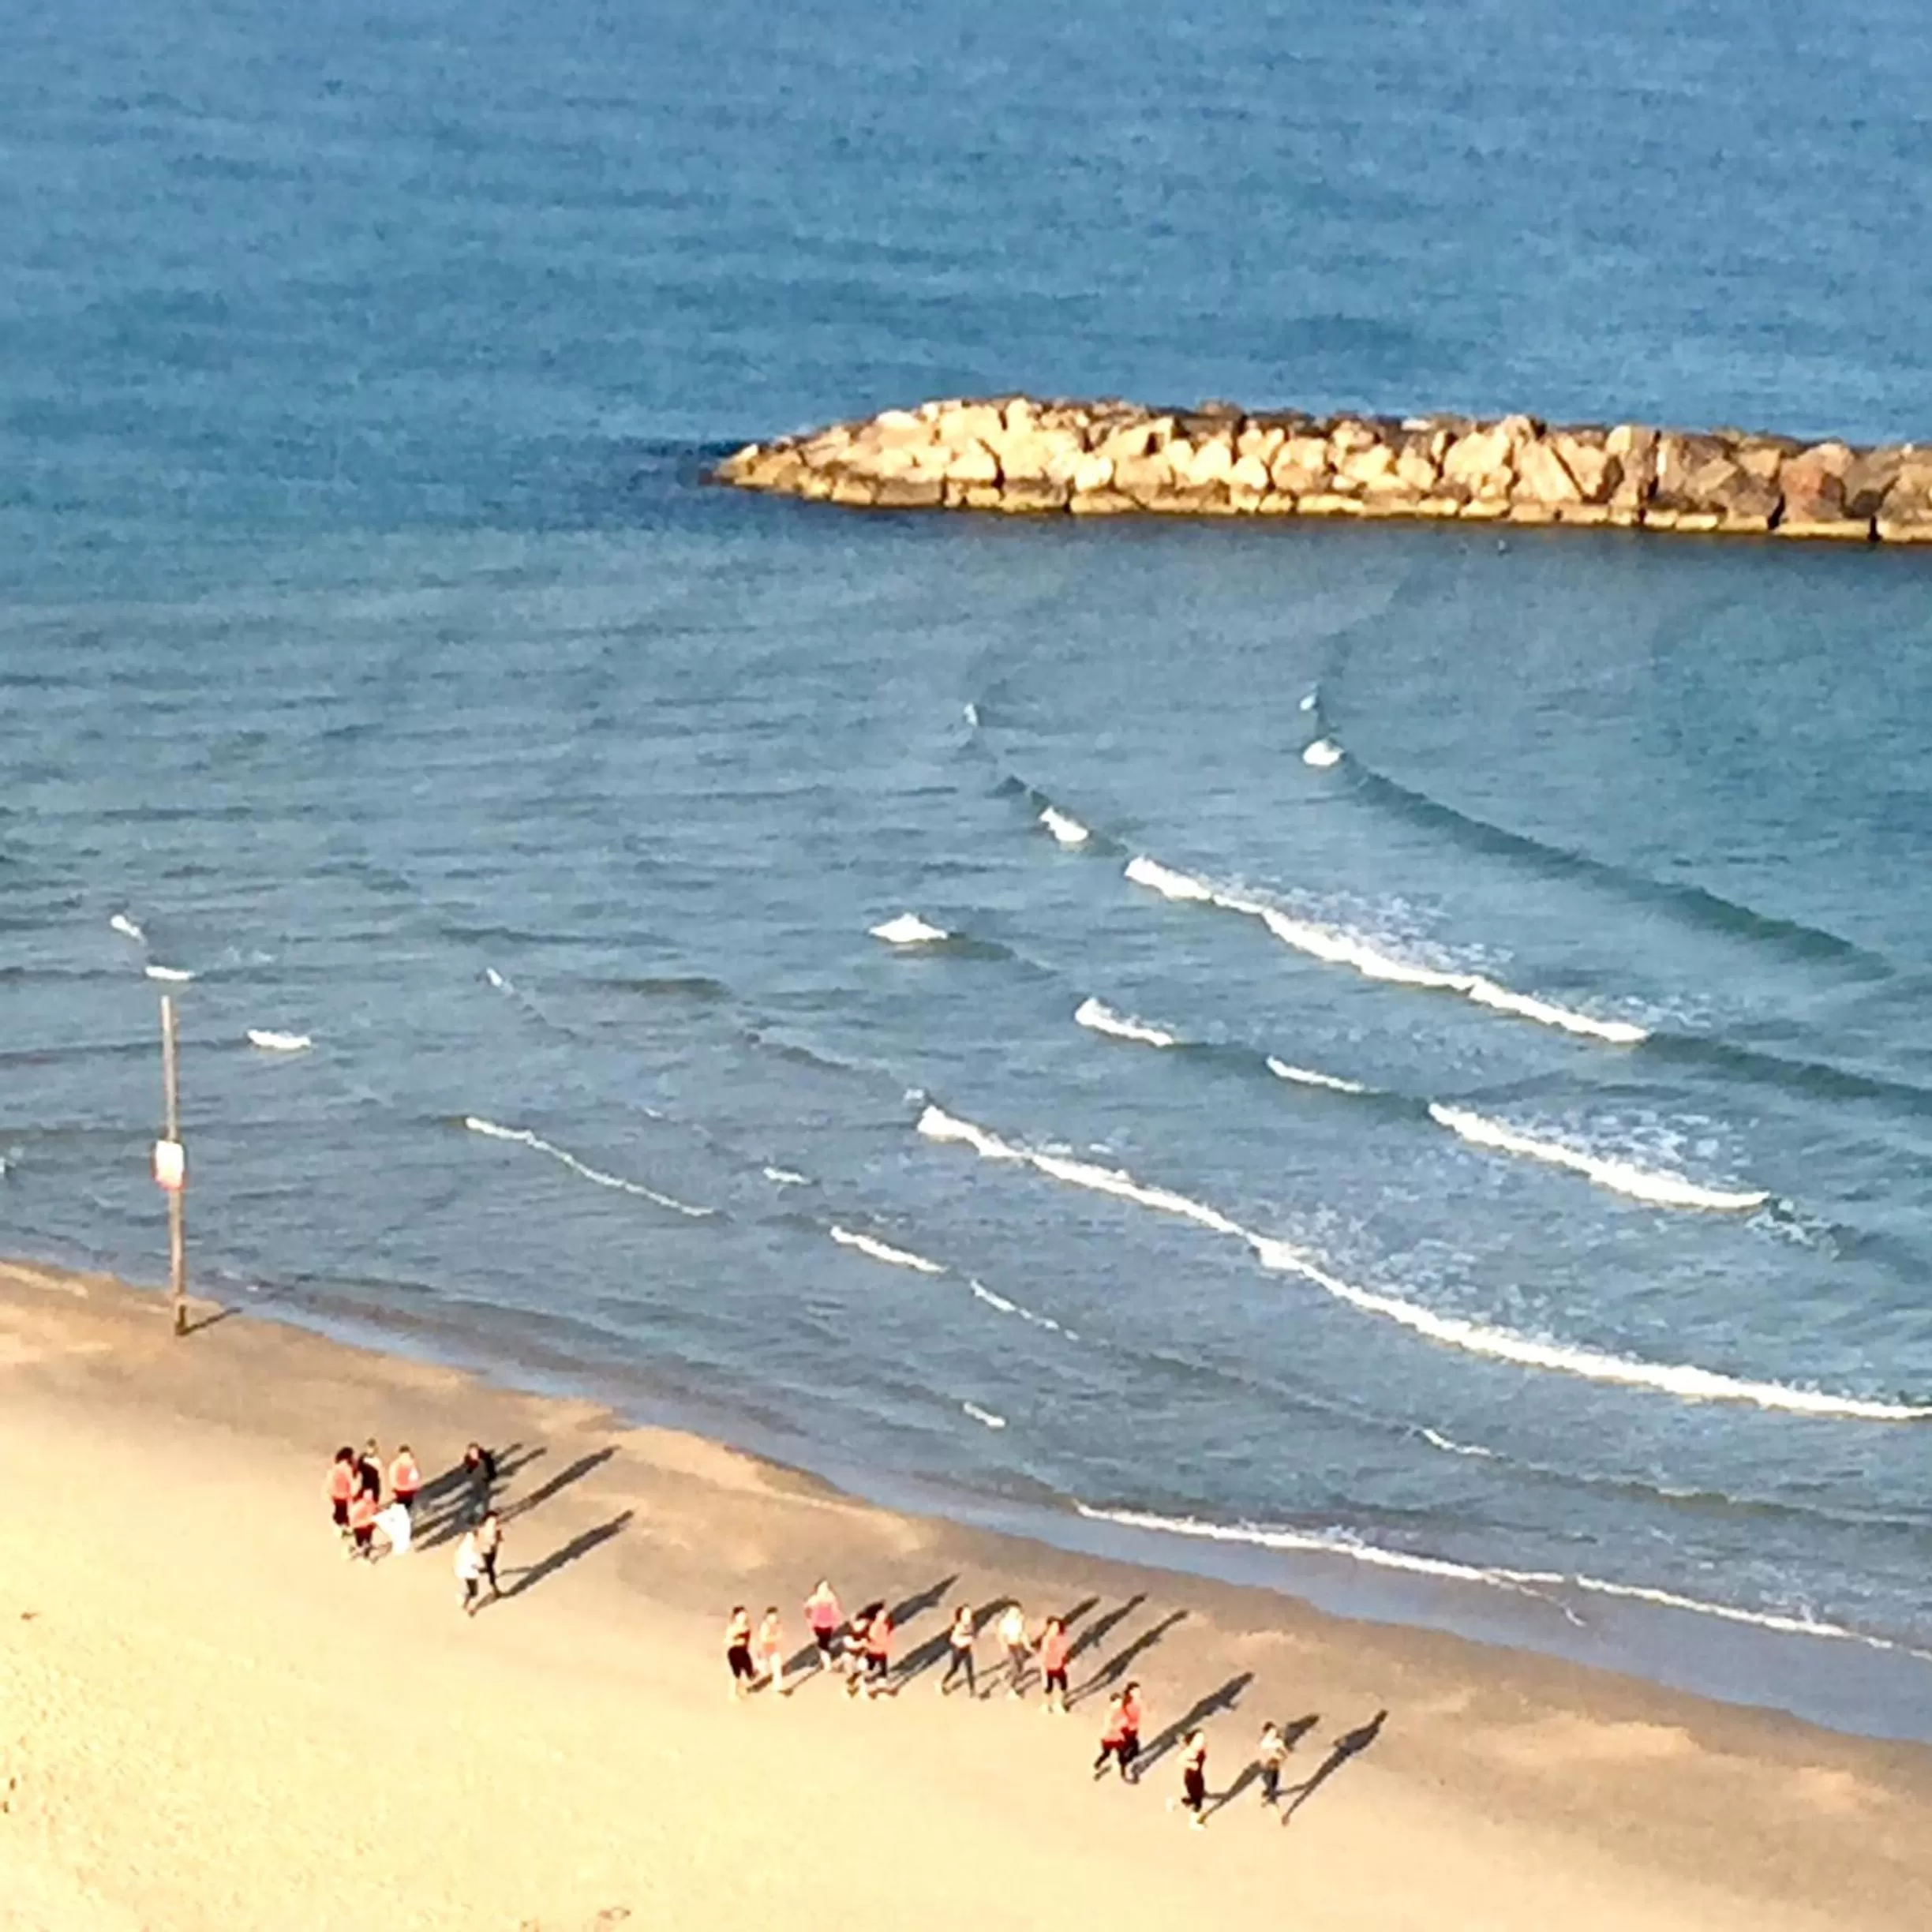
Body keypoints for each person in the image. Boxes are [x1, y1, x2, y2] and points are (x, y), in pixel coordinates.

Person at [803, 1579, 843, 1672]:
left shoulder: (831, 1597)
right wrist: (809, 1622)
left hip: (828, 1624)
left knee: (824, 1643)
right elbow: (807, 1611)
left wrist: (837, 1619)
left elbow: (835, 1609)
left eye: (826, 1587)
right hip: (817, 1625)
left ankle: (825, 1659)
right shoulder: (814, 1599)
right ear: (818, 1588)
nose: (825, 1589)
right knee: (822, 1644)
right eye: (822, 1587)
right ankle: (827, 1663)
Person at [939, 1604, 977, 1698]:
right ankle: (943, 1682)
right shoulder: (958, 1626)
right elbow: (952, 1639)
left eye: (970, 1613)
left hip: (967, 1649)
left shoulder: (971, 1624)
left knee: (970, 1670)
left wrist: (972, 1638)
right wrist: (966, 1638)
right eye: (967, 1614)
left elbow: (973, 1634)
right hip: (958, 1650)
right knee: (954, 1669)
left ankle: (972, 1691)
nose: (969, 1616)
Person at [1038, 1615, 1070, 1716]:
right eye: (1053, 1627)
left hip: (1059, 1666)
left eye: (1057, 1627)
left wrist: (1065, 1659)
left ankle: (1058, 1704)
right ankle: (1046, 1705)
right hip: (1048, 1666)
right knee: (1048, 1687)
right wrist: (1043, 1667)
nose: (1055, 1629)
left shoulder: (1062, 1638)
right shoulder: (1046, 1639)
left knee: (1063, 1686)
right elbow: (1044, 1653)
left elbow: (1064, 1651)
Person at [1177, 1731, 1208, 1829]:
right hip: (1191, 1779)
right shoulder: (1190, 1752)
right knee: (1197, 1802)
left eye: (1202, 1739)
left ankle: (1179, 1801)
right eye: (1198, 1740)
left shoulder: (1200, 1749)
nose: (1202, 1741)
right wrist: (1191, 1764)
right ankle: (1193, 1822)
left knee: (1196, 1795)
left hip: (1198, 1776)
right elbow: (1179, 1760)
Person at [998, 1602, 1029, 1698]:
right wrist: (1003, 1645)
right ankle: (1011, 1690)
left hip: (1019, 1645)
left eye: (1017, 1611)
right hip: (1010, 1646)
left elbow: (1023, 1633)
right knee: (1015, 1668)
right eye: (1013, 1611)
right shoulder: (1004, 1622)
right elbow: (1000, 1635)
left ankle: (1005, 1675)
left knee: (1020, 1665)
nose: (1015, 1613)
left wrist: (1027, 1645)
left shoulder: (1020, 1620)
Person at [862, 1604, 893, 1698]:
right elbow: (872, 1639)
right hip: (874, 1651)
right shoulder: (875, 1627)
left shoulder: (886, 1624)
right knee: (870, 1669)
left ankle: (881, 1686)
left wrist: (887, 1646)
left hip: (881, 1651)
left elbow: (888, 1636)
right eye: (882, 1615)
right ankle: (867, 1688)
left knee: (883, 1669)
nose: (885, 1616)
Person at [754, 1606, 788, 1694]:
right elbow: (764, 1638)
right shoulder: (765, 1625)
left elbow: (780, 1636)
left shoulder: (778, 1624)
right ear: (767, 1616)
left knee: (777, 1668)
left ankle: (778, 1687)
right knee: (762, 1667)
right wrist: (775, 1637)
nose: (773, 1618)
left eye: (775, 1616)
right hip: (765, 1650)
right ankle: (757, 1675)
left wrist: (778, 1640)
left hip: (774, 1650)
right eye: (771, 1616)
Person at [324, 1447, 356, 1540]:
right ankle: (342, 1531)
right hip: (344, 1495)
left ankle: (340, 1530)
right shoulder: (347, 1468)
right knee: (343, 1512)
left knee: (339, 1512)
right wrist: (353, 1494)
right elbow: (351, 1481)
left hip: (335, 1495)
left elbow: (330, 1480)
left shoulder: (335, 1467)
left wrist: (329, 1493)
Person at [726, 1606, 757, 1698]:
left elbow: (750, 1640)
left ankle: (741, 1688)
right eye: (740, 1616)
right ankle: (732, 1693)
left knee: (748, 1670)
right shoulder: (732, 1628)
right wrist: (735, 1641)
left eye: (744, 1615)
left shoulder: (746, 1628)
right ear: (735, 1617)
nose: (742, 1618)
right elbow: (727, 1640)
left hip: (743, 1652)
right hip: (734, 1652)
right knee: (736, 1674)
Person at [1256, 1722, 1288, 1806]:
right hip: (1268, 1766)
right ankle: (1271, 1797)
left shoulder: (1276, 1742)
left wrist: (1281, 1759)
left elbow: (1284, 1753)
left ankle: (1270, 1794)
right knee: (1270, 1781)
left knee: (1273, 1781)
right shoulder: (1266, 1742)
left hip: (1272, 1766)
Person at [455, 1527, 485, 1615]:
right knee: (474, 1592)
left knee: (469, 1588)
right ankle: (470, 1608)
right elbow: (477, 1562)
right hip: (471, 1573)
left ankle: (465, 1603)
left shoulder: (463, 1546)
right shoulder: (473, 1549)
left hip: (463, 1571)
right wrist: (481, 1567)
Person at [388, 1444, 421, 1519]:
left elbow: (392, 1475)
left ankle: (400, 1520)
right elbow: (415, 1476)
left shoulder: (396, 1463)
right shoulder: (412, 1463)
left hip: (399, 1490)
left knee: (400, 1507)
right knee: (409, 1507)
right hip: (409, 1491)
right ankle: (408, 1519)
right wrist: (416, 1487)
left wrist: (393, 1487)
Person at [346, 1484, 380, 1560]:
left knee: (362, 1539)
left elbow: (352, 1515)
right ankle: (364, 1549)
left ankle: (361, 1548)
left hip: (359, 1526)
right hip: (364, 1526)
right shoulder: (370, 1504)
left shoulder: (359, 1504)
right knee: (365, 1537)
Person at [475, 1511, 502, 1600]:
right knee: (491, 1568)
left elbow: (478, 1535)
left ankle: (485, 1569)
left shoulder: (483, 1525)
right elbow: (496, 1535)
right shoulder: (493, 1524)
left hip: (485, 1548)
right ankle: (494, 1589)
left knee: (490, 1565)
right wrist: (497, 1540)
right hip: (489, 1548)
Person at [462, 1441, 497, 1511]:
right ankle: (475, 1512)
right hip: (475, 1481)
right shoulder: (468, 1459)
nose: (474, 1454)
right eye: (472, 1452)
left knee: (485, 1497)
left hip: (485, 1480)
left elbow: (491, 1467)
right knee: (475, 1498)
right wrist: (472, 1466)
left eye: (475, 1452)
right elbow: (467, 1471)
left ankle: (485, 1511)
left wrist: (492, 1476)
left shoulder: (485, 1457)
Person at [356, 1440, 384, 1505]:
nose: (370, 1450)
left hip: (374, 1487)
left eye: (372, 1448)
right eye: (369, 1448)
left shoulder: (378, 1461)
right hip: (365, 1487)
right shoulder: (362, 1459)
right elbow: (359, 1475)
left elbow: (380, 1476)